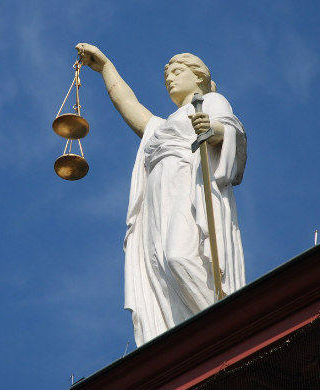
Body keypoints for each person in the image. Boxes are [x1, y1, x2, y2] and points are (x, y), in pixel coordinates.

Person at [76, 43, 247, 346]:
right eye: (166, 74)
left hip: (188, 186)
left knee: (179, 256)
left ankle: (223, 327)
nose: (169, 78)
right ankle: (186, 337)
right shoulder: (162, 126)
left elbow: (231, 129)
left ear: (199, 77)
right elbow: (129, 104)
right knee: (161, 269)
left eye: (177, 71)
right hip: (156, 201)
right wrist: (105, 67)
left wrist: (212, 128)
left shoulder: (209, 100)